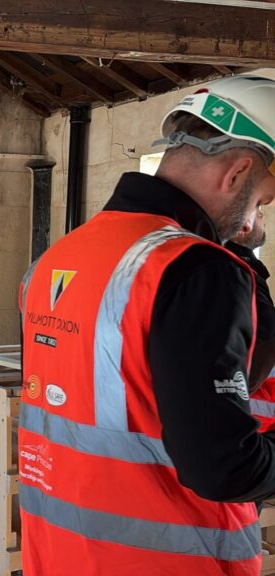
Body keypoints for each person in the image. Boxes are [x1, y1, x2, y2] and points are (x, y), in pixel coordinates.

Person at [19, 75, 275, 576]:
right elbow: (224, 466)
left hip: (59, 556)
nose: (259, 213)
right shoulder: (197, 269)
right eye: (262, 198)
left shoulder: (57, 259)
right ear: (237, 172)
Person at [228, 212, 275, 431]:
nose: (262, 215)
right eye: (256, 211)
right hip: (249, 429)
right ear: (241, 228)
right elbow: (264, 346)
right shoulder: (242, 275)